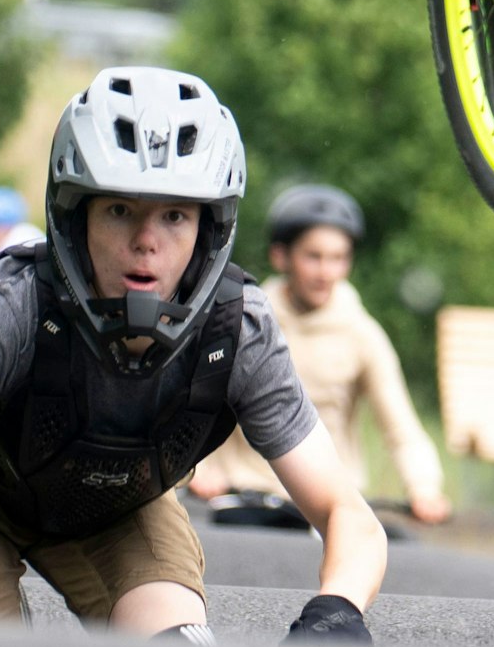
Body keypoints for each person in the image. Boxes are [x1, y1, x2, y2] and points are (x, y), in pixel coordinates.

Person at [0, 68, 387, 641]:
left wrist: (338, 610)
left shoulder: (239, 331)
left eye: (175, 215)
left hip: (113, 499)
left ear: (211, 228)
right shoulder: (13, 308)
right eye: (119, 210)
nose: (146, 242)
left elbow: (346, 512)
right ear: (75, 217)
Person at [188, 184, 451, 524]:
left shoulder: (361, 333)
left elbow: (400, 427)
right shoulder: (245, 321)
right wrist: (204, 470)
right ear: (280, 256)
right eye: (314, 257)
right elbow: (196, 406)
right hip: (244, 498)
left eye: (338, 258)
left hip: (329, 504)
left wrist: (424, 488)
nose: (326, 273)